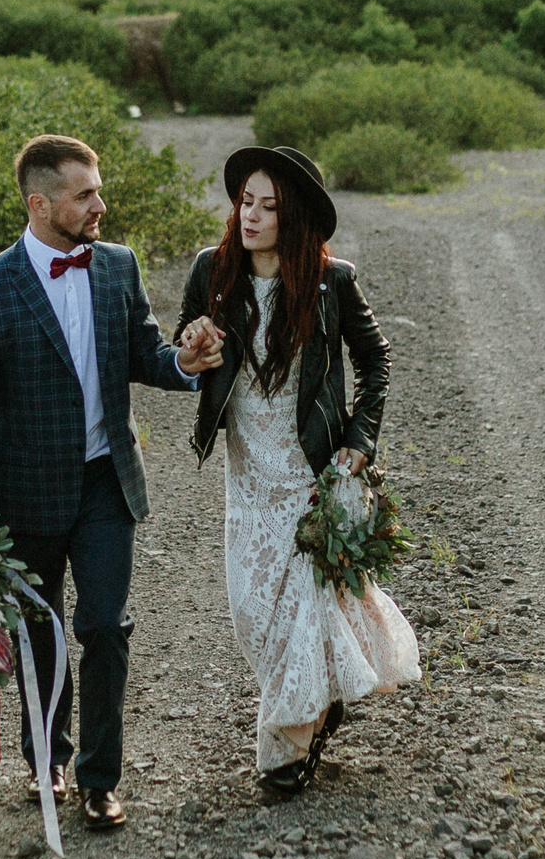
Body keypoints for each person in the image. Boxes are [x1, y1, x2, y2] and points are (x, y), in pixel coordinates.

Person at [0, 134, 223, 831]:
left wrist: (183, 360)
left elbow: (145, 356)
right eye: (85, 193)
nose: (101, 204)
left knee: (104, 626)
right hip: (23, 491)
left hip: (105, 483)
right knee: (40, 634)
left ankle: (101, 779)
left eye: (99, 188)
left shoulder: (118, 267)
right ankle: (47, 761)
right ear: (41, 203)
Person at [174, 145, 421, 796]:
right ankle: (318, 702)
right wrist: (193, 344)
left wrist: (360, 440)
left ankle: (283, 750)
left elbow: (376, 360)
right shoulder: (212, 269)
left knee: (303, 607)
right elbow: (186, 340)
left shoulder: (331, 280)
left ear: (297, 217)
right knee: (254, 610)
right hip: (248, 470)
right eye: (245, 201)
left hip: (310, 466)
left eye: (269, 206)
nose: (251, 216)